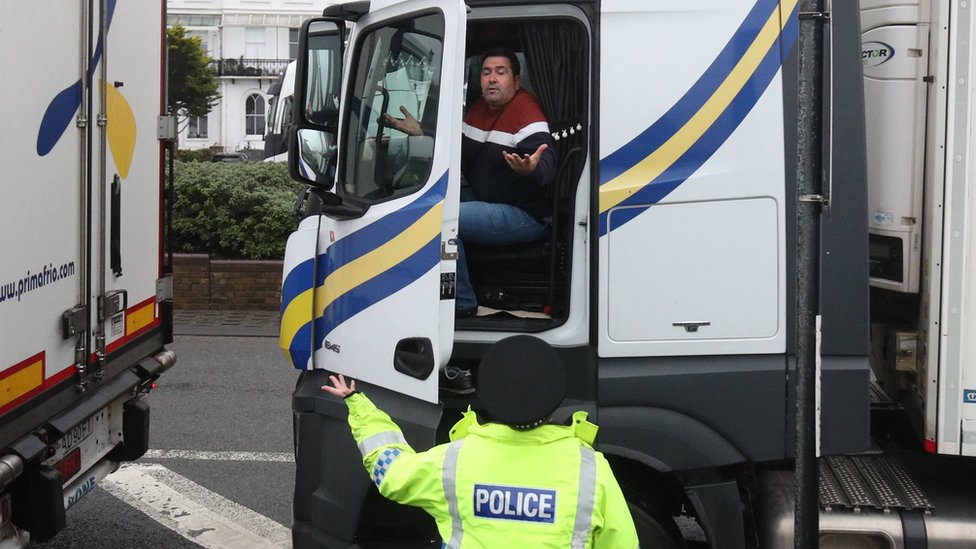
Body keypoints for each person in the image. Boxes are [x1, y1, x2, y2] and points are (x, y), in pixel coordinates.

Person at [321, 335, 640, 548]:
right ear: (554, 398)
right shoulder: (591, 471)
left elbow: (390, 472)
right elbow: (623, 542)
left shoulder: (454, 462)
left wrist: (359, 406)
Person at [385, 48, 557, 318]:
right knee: (414, 201)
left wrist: (532, 170)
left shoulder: (526, 111)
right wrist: (422, 131)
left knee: (440, 219)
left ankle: (461, 304)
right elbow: (459, 147)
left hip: (525, 214)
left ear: (516, 80)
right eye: (487, 72)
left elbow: (546, 166)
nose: (492, 79)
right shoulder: (480, 108)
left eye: (501, 73)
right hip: (486, 197)